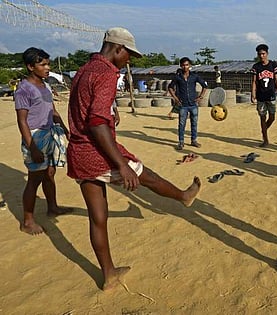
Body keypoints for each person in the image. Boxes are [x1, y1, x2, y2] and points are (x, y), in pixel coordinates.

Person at [67, 27, 201, 291]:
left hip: (79, 152)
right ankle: (183, 196)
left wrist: (111, 110)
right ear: (118, 48)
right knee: (144, 174)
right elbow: (95, 122)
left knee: (98, 217)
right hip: (97, 152)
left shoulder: (84, 70)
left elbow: (86, 108)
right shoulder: (106, 72)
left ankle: (109, 274)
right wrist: (120, 165)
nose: (130, 60)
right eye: (129, 54)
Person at [14, 47, 71, 235]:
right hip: (35, 137)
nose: (47, 68)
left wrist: (64, 128)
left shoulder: (45, 85)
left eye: (48, 64)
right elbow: (22, 121)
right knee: (34, 179)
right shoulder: (24, 89)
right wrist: (33, 147)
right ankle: (27, 221)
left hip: (49, 134)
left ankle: (52, 207)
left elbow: (52, 111)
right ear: (31, 66)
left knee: (49, 173)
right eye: (43, 64)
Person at [168, 57, 207, 150]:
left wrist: (200, 97)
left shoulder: (194, 76)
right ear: (180, 66)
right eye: (183, 65)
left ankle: (194, 141)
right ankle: (181, 142)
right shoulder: (177, 77)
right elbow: (170, 87)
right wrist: (176, 98)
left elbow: (204, 86)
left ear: (190, 66)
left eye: (187, 65)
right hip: (183, 105)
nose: (185, 67)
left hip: (193, 104)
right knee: (181, 124)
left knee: (194, 123)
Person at [250, 44, 277, 147]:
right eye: (259, 54)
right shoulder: (256, 67)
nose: (261, 56)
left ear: (267, 54)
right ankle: (265, 139)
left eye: (263, 54)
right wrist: (253, 94)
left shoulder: (273, 65)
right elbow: (254, 81)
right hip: (260, 97)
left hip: (271, 95)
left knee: (272, 117)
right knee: (262, 117)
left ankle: (264, 130)